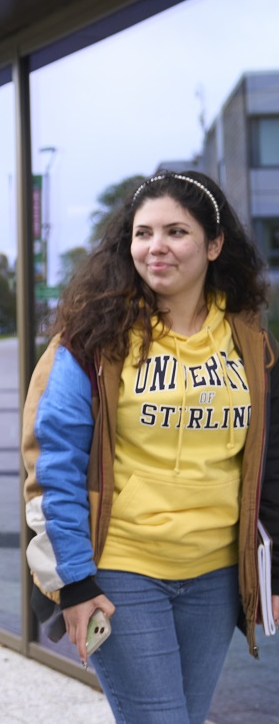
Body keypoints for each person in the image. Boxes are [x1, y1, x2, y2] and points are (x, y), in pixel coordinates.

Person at [22, 170, 272, 723]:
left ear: (214, 244)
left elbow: (267, 453)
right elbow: (54, 464)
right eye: (143, 233)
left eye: (176, 232)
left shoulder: (248, 338)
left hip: (216, 575)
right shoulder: (93, 337)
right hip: (121, 570)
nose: (155, 246)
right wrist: (75, 583)